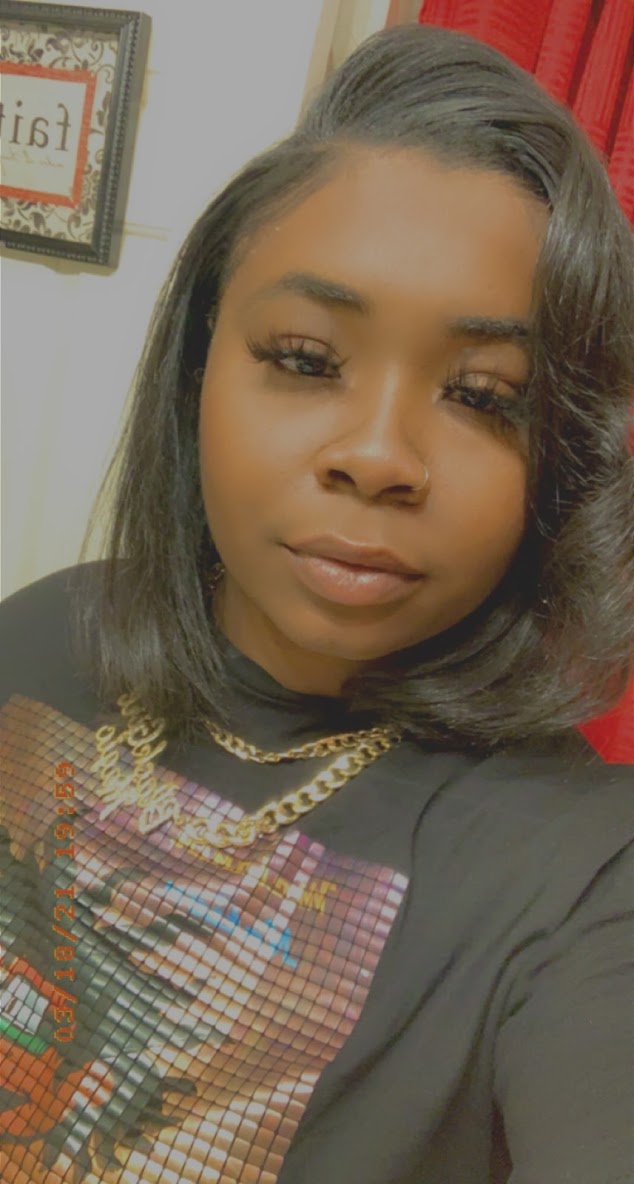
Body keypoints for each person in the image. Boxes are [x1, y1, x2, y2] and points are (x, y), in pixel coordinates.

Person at [0, 22, 632, 1184]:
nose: (378, 454)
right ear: (200, 365)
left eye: (483, 394)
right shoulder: (44, 632)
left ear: (560, 456)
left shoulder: (583, 872)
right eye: (304, 357)